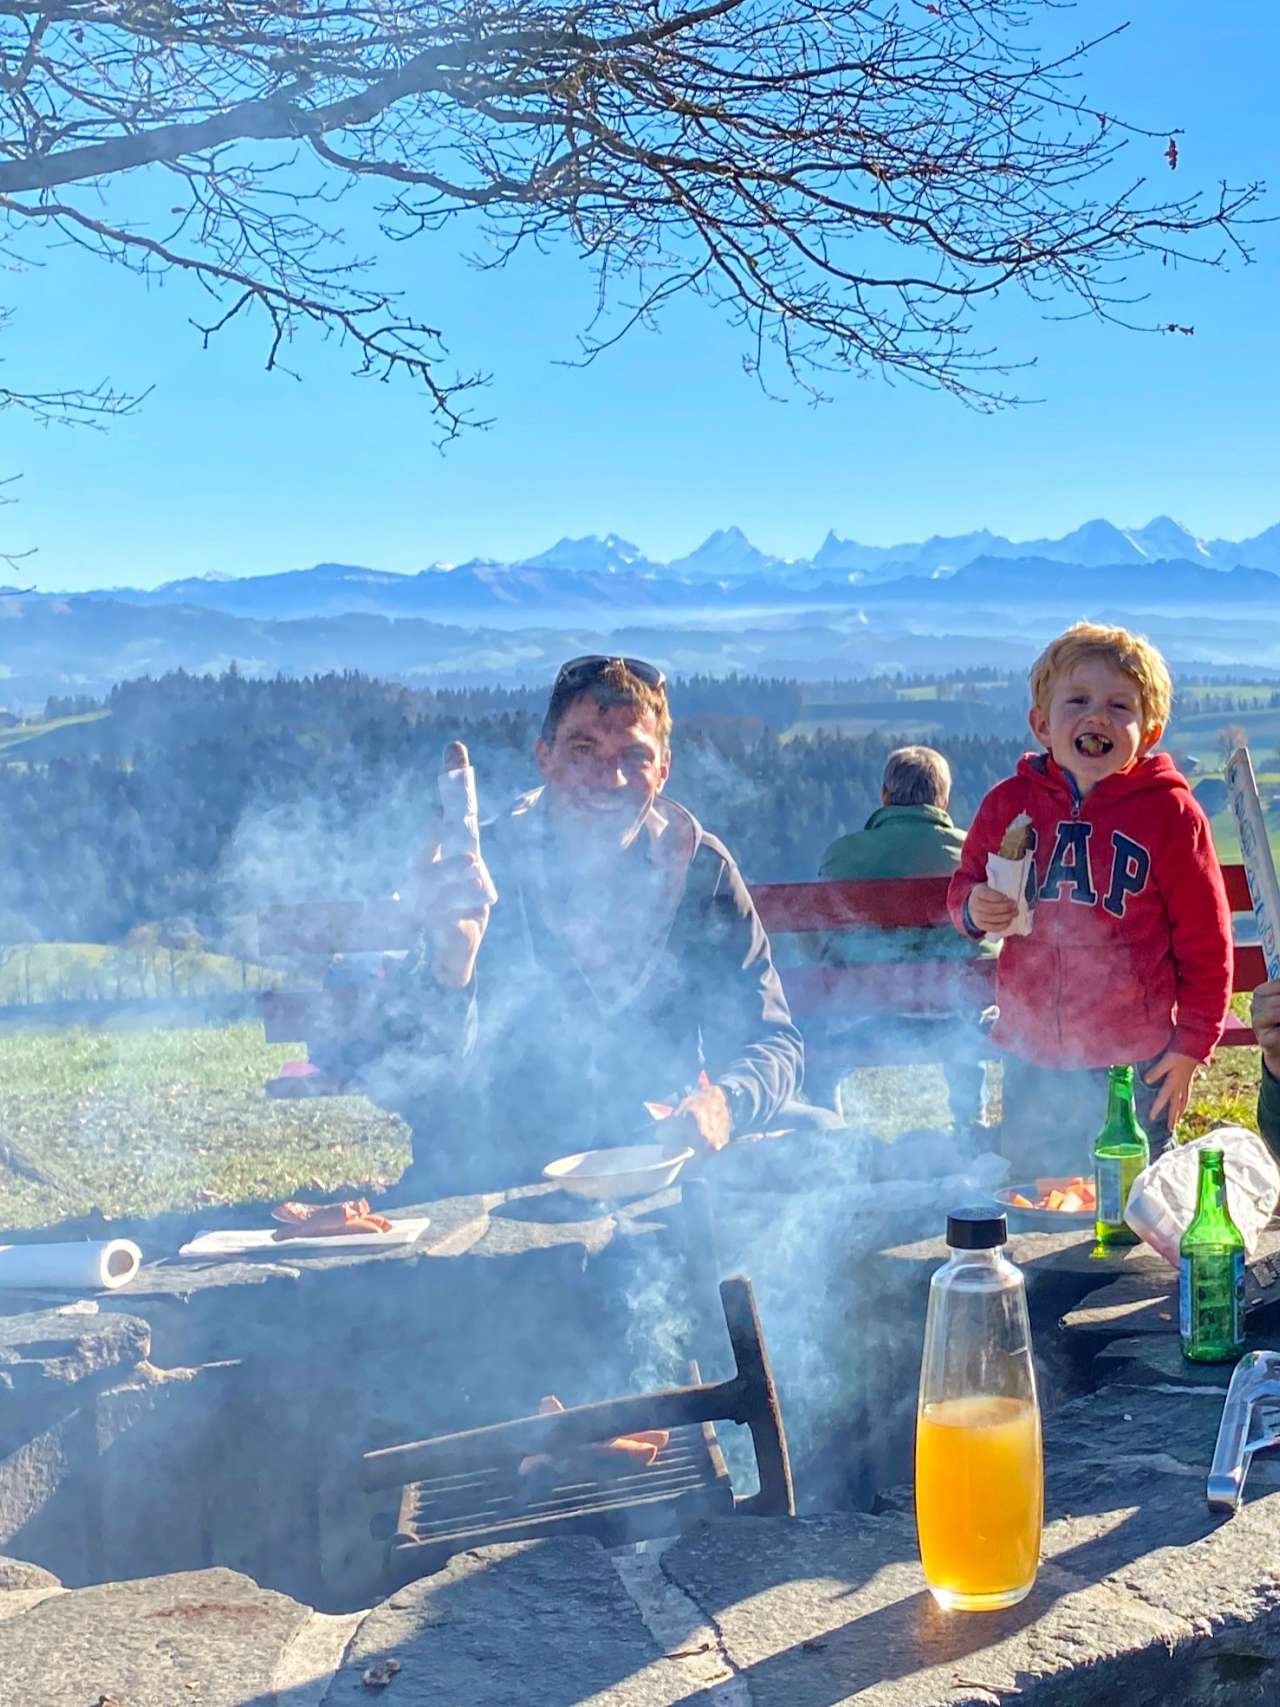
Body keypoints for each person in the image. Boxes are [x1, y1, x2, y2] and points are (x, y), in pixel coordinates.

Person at [344, 656, 803, 1196]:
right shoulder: (479, 874)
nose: (608, 778)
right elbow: (411, 1080)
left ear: (664, 769)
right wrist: (452, 965)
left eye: (634, 756)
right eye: (583, 750)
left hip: (652, 1158)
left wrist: (725, 1102)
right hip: (492, 1168)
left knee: (820, 1148)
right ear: (545, 757)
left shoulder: (699, 870)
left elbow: (774, 1042)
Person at [948, 622, 1232, 1174]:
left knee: (1129, 1199)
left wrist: (1191, 1045)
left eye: (1119, 706)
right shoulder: (1008, 804)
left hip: (1134, 1059)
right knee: (1035, 1189)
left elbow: (1207, 943)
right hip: (1032, 1052)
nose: (1097, 716)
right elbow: (964, 885)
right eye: (1077, 700)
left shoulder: (1170, 815)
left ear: (1148, 733)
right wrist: (972, 908)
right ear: (1042, 724)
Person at [813, 746, 996, 1130]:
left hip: (868, 1011)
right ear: (943, 800)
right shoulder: (973, 855)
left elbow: (817, 941)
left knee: (818, 1032)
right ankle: (970, 1127)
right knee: (969, 999)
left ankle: (830, 1127)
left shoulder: (842, 855)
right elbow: (991, 942)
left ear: (885, 796)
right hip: (956, 1014)